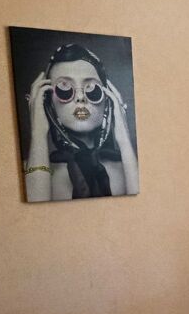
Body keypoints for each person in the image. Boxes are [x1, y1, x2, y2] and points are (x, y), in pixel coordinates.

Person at [23, 44, 139, 201]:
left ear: (108, 99)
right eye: (64, 88)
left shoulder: (132, 167)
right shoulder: (28, 170)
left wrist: (124, 140)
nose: (80, 98)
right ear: (48, 101)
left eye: (92, 88)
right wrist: (37, 134)